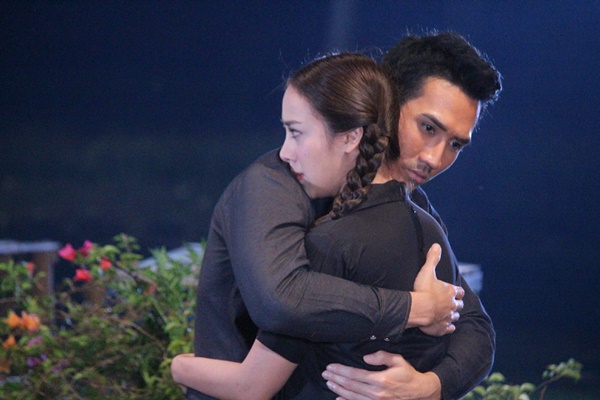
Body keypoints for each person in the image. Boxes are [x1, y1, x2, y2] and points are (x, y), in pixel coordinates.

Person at [183, 31, 501, 400]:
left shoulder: (413, 208)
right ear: (386, 101)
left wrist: (429, 386)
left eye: (455, 144)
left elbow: (476, 328)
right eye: (428, 128)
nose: (435, 158)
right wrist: (416, 308)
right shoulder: (274, 185)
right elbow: (282, 300)